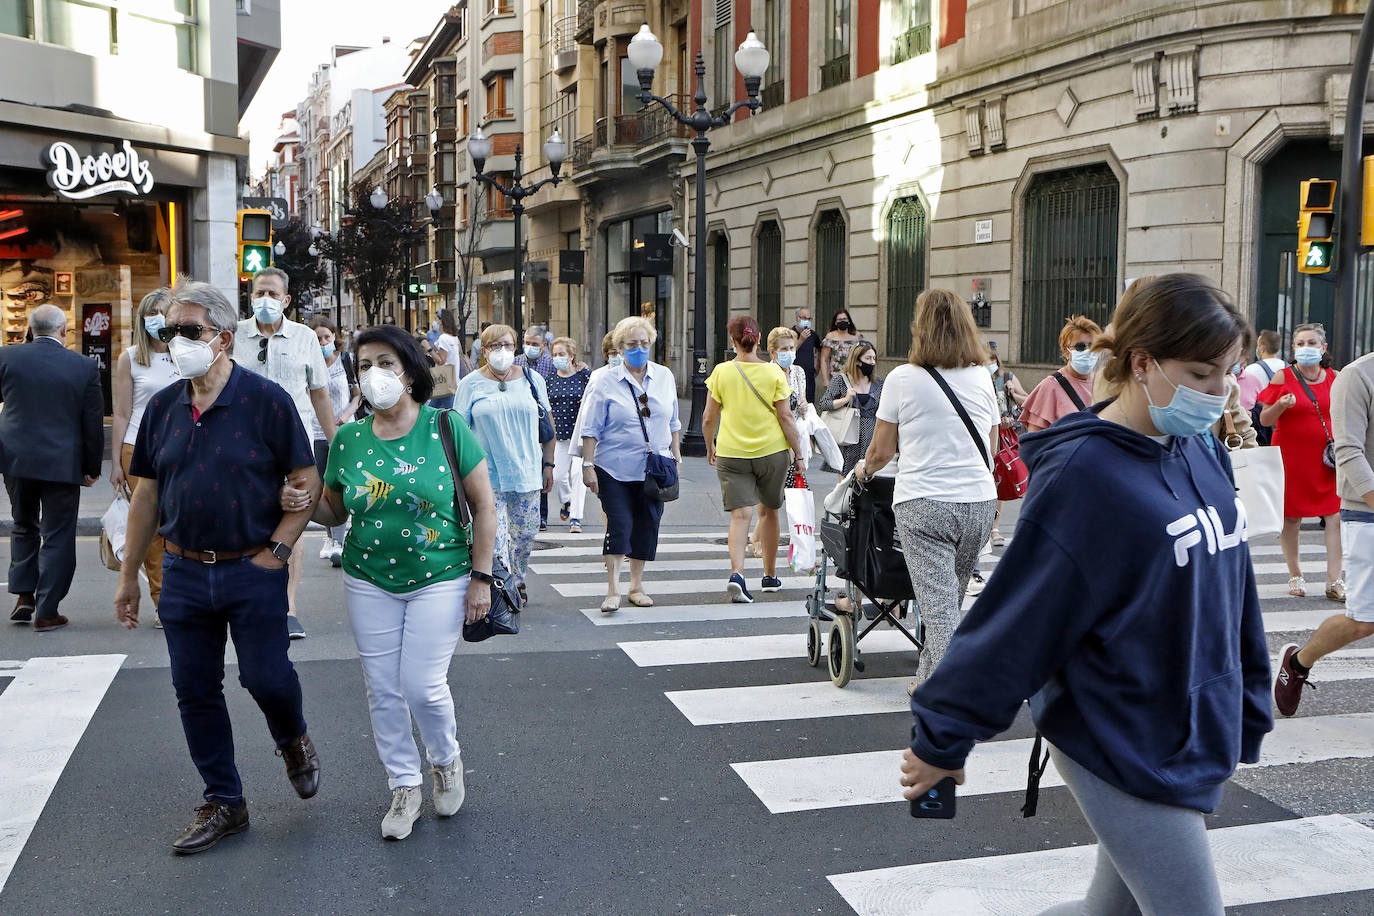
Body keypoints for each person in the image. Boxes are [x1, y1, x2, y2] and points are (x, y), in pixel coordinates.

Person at [900, 274, 1271, 915]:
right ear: (1143, 362)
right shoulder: (1085, 476)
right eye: (1203, 374)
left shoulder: (1199, 445)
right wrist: (944, 737)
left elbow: (1232, 585)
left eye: (1229, 375)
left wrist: (1246, 697)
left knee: (1108, 912)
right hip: (1117, 731)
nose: (1220, 394)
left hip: (1185, 724)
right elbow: (1019, 616)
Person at [114, 279, 322, 855]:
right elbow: (145, 497)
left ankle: (292, 738)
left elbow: (306, 479)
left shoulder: (266, 400)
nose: (175, 341)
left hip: (250, 570)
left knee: (266, 677)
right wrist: (130, 575)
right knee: (194, 688)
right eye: (168, 332)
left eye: (189, 332)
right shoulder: (163, 407)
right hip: (182, 571)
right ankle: (225, 802)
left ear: (223, 339)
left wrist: (275, 551)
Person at [291, 325, 496, 839]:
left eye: (385, 363)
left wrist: (482, 577)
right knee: (383, 690)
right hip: (368, 578)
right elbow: (335, 508)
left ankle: (445, 760)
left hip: (441, 573)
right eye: (364, 365)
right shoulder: (349, 439)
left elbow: (484, 505)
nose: (374, 374)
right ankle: (403, 787)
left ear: (409, 370)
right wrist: (300, 502)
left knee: (422, 686)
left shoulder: (446, 427)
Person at [854, 289, 997, 682]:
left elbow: (882, 450)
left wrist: (863, 472)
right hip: (980, 502)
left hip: (925, 503)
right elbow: (994, 443)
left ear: (921, 329)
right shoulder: (982, 376)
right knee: (948, 601)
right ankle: (926, 681)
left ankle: (952, 694)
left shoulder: (902, 378)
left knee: (938, 610)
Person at [233, 266, 334, 639]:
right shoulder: (235, 337)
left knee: (294, 519)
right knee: (250, 517)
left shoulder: (305, 337)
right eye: (260, 293)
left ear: (287, 300)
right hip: (244, 444)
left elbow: (319, 393)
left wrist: (335, 440)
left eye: (273, 294)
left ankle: (288, 606)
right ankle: (251, 599)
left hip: (295, 446)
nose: (266, 300)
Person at [1274, 342, 1374, 717]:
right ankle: (1298, 662)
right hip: (1366, 511)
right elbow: (1348, 451)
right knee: (1364, 621)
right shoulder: (1357, 376)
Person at [1, 304, 103, 632]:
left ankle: (23, 597)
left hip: (15, 458)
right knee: (58, 533)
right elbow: (92, 423)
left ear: (30, 330)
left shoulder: (6, 357)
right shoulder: (84, 366)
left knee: (23, 524)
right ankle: (47, 609)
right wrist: (91, 467)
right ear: (64, 331)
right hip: (62, 460)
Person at [580, 317, 682, 612]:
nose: (639, 349)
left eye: (644, 343)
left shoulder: (664, 376)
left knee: (648, 524)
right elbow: (591, 427)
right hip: (613, 466)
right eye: (632, 344)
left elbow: (673, 420)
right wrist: (588, 465)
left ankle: (636, 586)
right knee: (620, 524)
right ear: (619, 348)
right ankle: (613, 588)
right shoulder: (604, 380)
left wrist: (676, 455)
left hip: (656, 466)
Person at [703, 315, 806, 604]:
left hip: (732, 452)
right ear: (759, 339)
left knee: (740, 515)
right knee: (769, 512)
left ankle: (737, 573)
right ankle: (770, 575)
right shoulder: (773, 374)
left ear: (733, 341)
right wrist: (798, 454)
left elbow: (709, 416)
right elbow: (786, 417)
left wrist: (710, 446)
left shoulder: (721, 372)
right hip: (772, 452)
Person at [454, 323, 553, 604]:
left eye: (507, 345)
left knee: (525, 535)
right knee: (493, 538)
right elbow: (459, 429)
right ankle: (501, 586)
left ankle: (518, 578)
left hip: (527, 472)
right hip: (486, 475)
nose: (502, 351)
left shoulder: (533, 380)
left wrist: (549, 464)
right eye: (495, 346)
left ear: (515, 347)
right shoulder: (470, 383)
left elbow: (546, 423)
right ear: (484, 351)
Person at [1257, 323, 1343, 600]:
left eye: (1312, 343)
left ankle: (1335, 580)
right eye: (1301, 343)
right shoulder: (1283, 377)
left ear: (1323, 348)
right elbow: (1264, 419)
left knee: (1335, 517)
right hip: (1291, 457)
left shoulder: (1335, 378)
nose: (1307, 348)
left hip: (1326, 459)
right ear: (1293, 348)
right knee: (1291, 518)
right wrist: (1281, 405)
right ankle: (1295, 575)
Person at [110, 288, 180, 626]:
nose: (156, 321)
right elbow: (122, 412)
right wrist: (115, 463)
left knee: (178, 523)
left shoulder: (186, 353)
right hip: (138, 448)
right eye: (150, 314)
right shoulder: (131, 357)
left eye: (162, 313)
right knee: (152, 530)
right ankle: (163, 600)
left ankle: (185, 594)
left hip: (182, 447)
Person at [308, 316, 361, 566]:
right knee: (322, 486)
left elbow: (358, 395)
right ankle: (330, 537)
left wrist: (346, 414)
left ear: (334, 337)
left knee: (344, 483)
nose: (323, 342)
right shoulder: (308, 362)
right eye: (318, 338)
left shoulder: (346, 361)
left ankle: (342, 540)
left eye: (327, 337)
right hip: (317, 433)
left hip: (345, 432)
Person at [1020, 315, 1103, 432]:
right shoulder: (1050, 387)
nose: (1088, 351)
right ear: (1066, 351)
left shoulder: (1104, 384)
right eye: (1080, 347)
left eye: (1093, 346)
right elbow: (1034, 443)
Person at [817, 341, 884, 475]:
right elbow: (824, 404)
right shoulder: (841, 380)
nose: (872, 362)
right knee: (846, 480)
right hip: (849, 436)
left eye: (874, 358)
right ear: (857, 360)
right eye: (868, 358)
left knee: (868, 479)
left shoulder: (879, 383)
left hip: (871, 439)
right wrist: (845, 400)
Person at [547, 337, 591, 533]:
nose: (558, 358)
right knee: (558, 476)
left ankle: (576, 518)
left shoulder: (584, 377)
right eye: (555, 355)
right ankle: (566, 501)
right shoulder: (550, 380)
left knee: (577, 475)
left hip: (580, 435)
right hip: (559, 437)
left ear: (572, 356)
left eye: (562, 354)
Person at [988, 340, 1028, 547]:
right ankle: (984, 525)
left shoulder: (1006, 378)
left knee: (998, 479)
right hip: (980, 435)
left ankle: (994, 527)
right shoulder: (974, 380)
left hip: (1002, 438)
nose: (989, 363)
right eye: (985, 359)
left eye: (992, 359)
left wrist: (1012, 391)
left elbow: (1027, 402)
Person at [1244, 329, 1284, 445]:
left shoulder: (1252, 370)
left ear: (1262, 348)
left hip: (1261, 431)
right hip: (1281, 426)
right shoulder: (1288, 369)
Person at [818, 308, 863, 391]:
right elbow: (823, 359)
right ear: (835, 322)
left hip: (855, 378)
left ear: (849, 321)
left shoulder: (857, 337)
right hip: (836, 378)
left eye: (844, 319)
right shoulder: (830, 337)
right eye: (839, 319)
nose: (842, 321)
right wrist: (825, 380)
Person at [792, 306, 818, 403]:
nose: (806, 321)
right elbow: (789, 352)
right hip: (794, 377)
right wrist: (801, 340)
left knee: (809, 406)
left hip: (809, 377)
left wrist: (818, 367)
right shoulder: (790, 334)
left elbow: (820, 349)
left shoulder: (813, 335)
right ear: (797, 318)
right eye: (803, 318)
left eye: (808, 318)